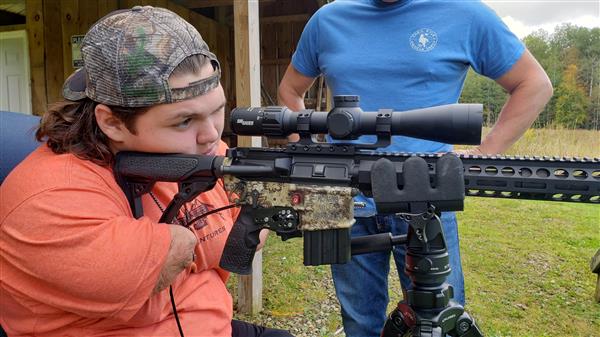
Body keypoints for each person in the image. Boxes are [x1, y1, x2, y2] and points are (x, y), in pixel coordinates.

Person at [0, 6, 292, 337]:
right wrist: (208, 239)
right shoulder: (48, 199)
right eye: (184, 120)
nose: (212, 135)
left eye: (217, 111)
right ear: (111, 123)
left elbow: (248, 235)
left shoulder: (197, 153)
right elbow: (174, 253)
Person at [278, 1, 553, 336]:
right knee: (359, 322)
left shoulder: (465, 13)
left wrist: (483, 153)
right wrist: (310, 153)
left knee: (439, 321)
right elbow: (289, 90)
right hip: (347, 198)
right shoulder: (328, 19)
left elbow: (534, 84)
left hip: (427, 197)